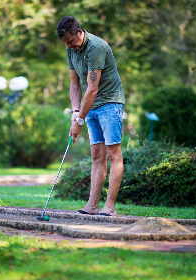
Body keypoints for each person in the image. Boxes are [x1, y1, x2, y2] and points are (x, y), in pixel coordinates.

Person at [56, 16, 125, 216]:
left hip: (109, 103)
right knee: (97, 154)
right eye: (65, 44)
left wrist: (79, 121)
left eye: (71, 41)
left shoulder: (96, 47)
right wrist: (75, 111)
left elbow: (92, 88)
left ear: (79, 32)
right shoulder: (70, 49)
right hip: (90, 106)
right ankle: (92, 206)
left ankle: (109, 207)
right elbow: (74, 84)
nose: (69, 46)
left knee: (113, 154)